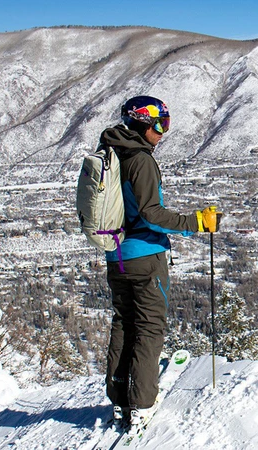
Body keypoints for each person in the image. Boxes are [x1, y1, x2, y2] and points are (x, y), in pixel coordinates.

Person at [99, 95, 221, 427]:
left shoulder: (111, 152)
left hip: (116, 255)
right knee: (149, 327)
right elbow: (152, 215)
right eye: (161, 124)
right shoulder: (140, 160)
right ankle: (142, 403)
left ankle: (120, 397)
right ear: (145, 123)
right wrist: (195, 222)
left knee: (123, 324)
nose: (163, 132)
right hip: (145, 256)